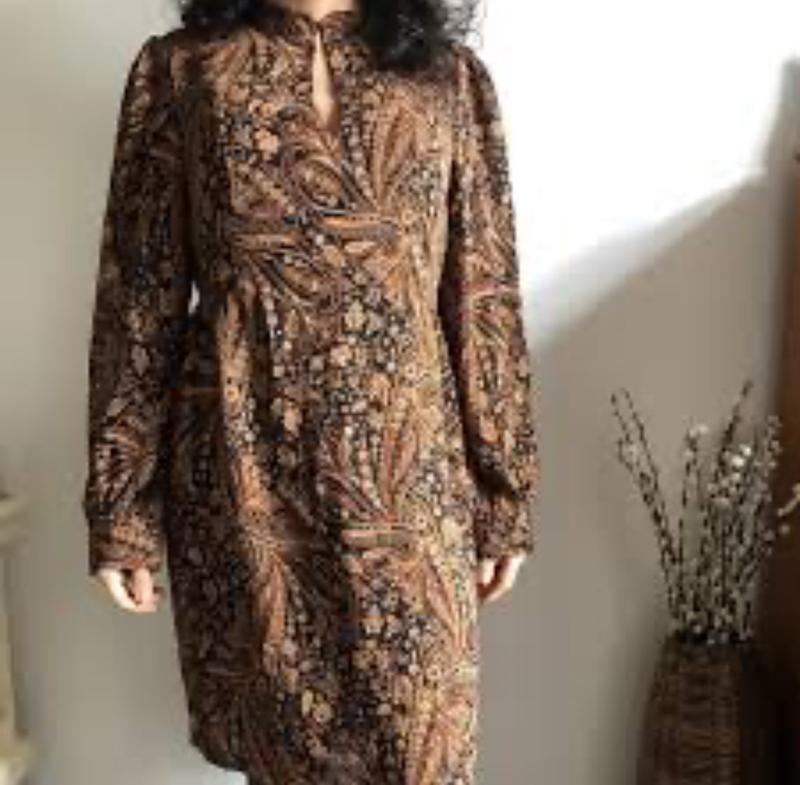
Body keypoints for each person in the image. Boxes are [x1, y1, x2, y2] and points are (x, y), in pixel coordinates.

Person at [81, 0, 541, 781]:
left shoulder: (448, 82)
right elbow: (138, 300)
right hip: (248, 483)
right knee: (286, 753)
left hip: (411, 492)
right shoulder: (184, 73)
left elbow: (484, 297)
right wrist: (120, 505)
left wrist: (504, 492)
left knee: (423, 749)